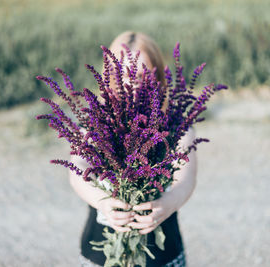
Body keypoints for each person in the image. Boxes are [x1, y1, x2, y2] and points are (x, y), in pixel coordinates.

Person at [69, 31, 197, 267]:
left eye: (140, 76)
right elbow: (77, 169)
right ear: (109, 78)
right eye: (122, 77)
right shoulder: (94, 123)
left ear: (157, 77)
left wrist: (165, 205)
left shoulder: (175, 126)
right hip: (101, 255)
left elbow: (185, 181)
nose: (131, 85)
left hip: (162, 256)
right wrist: (103, 202)